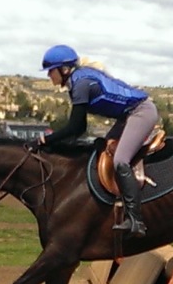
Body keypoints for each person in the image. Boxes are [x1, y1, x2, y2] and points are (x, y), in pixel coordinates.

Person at [32, 44, 157, 237]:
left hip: (140, 112)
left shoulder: (81, 84)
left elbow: (74, 128)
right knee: (104, 154)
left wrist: (45, 140)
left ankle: (136, 220)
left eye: (51, 71)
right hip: (128, 116)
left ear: (64, 69)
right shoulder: (78, 80)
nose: (49, 76)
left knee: (120, 160)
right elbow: (80, 129)